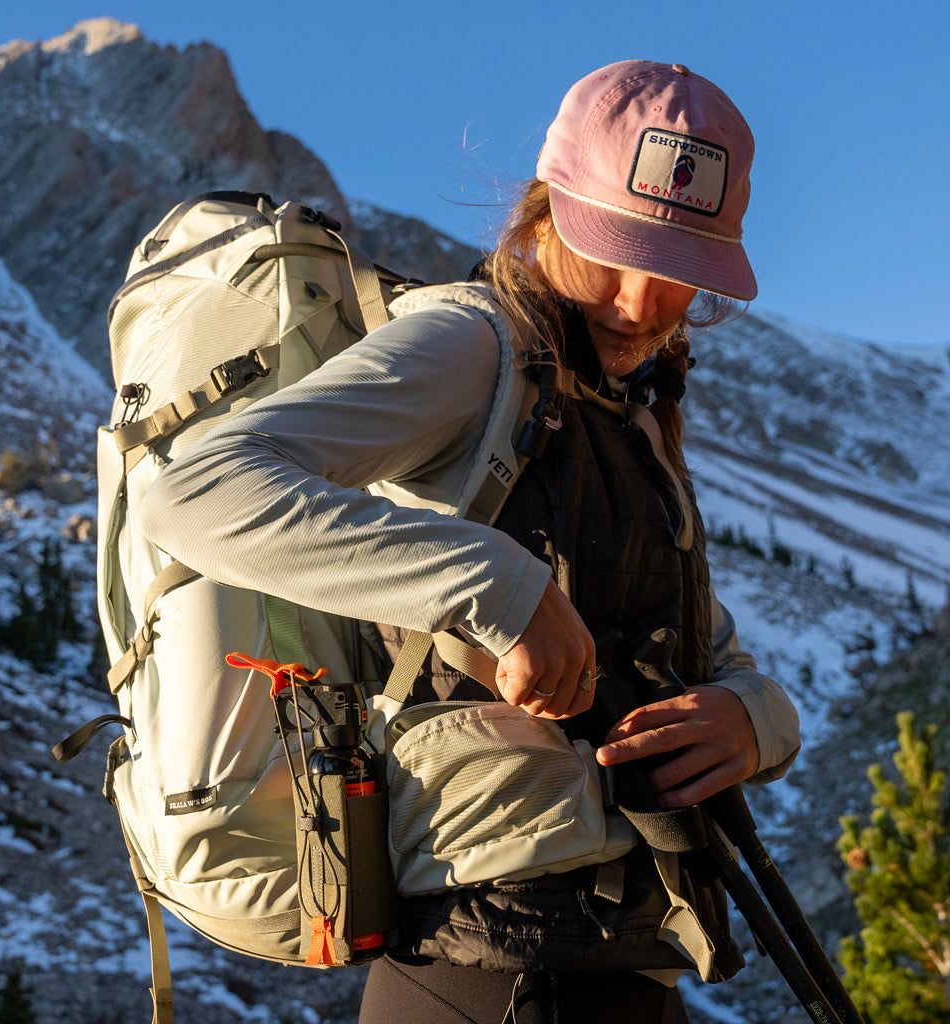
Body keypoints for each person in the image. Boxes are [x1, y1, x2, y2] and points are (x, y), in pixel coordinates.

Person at [138, 60, 800, 1024]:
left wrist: (755, 719)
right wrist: (494, 582)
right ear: (545, 213)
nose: (639, 301)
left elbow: (695, 643)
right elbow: (196, 491)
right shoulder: (473, 346)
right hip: (480, 969)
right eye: (615, 248)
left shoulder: (632, 415)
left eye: (680, 274)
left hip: (627, 968)